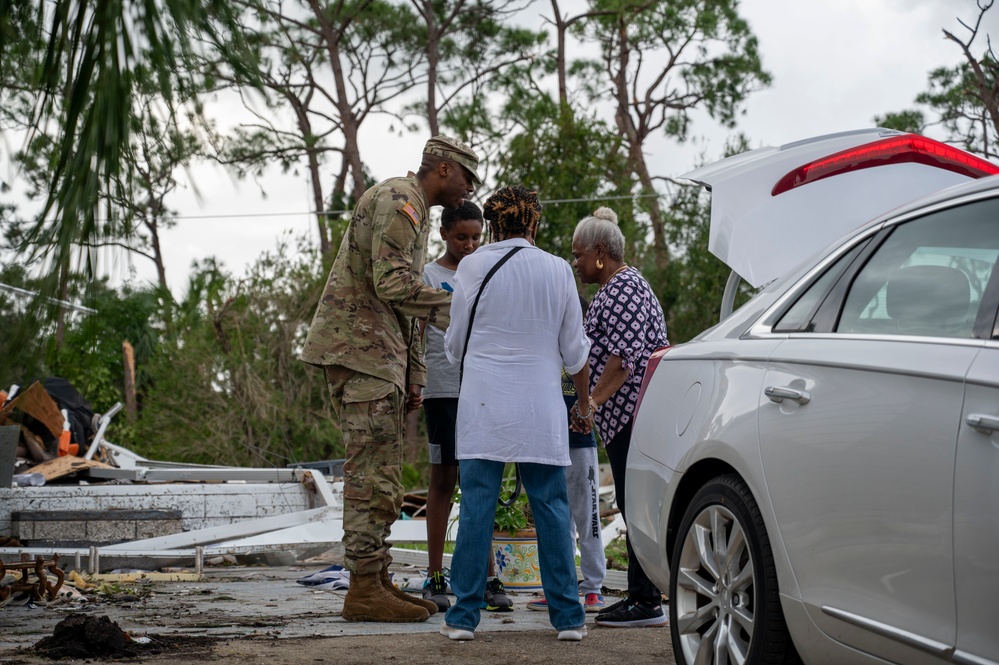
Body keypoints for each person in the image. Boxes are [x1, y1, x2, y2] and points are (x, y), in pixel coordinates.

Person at [300, 135, 480, 623]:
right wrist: (462, 307)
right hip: (361, 352)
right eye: (467, 175)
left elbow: (405, 304)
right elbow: (394, 285)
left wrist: (415, 372)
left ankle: (374, 578)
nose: (470, 188)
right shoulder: (401, 203)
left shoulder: (413, 208)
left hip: (381, 356)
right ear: (443, 169)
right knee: (368, 479)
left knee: (384, 476)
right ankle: (361, 588)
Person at [439, 186, 592, 643]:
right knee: (550, 506)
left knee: (478, 508)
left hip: (483, 403)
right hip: (540, 405)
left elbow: (454, 347)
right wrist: (583, 405)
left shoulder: (471, 265)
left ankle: (463, 618)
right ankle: (568, 618)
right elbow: (575, 352)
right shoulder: (558, 269)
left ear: (492, 224)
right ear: (534, 223)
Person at [571, 206, 669, 628]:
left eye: (578, 255)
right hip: (624, 416)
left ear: (598, 252)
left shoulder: (626, 287)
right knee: (632, 505)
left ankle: (645, 601)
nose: (575, 263)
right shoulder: (614, 287)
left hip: (635, 414)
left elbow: (623, 360)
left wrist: (590, 403)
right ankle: (642, 596)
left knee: (636, 505)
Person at [420, 202, 513, 613]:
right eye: (462, 237)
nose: (471, 245)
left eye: (477, 237)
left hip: (482, 389)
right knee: (444, 479)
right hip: (442, 390)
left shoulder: (488, 271)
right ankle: (436, 575)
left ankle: (487, 575)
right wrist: (413, 380)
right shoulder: (429, 275)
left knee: (481, 480)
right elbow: (417, 333)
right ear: (443, 233)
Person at [527, 294, 606, 614]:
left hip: (581, 445)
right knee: (556, 518)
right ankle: (558, 586)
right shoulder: (546, 351)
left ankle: (593, 587)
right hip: (549, 443)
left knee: (587, 516)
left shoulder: (590, 353)